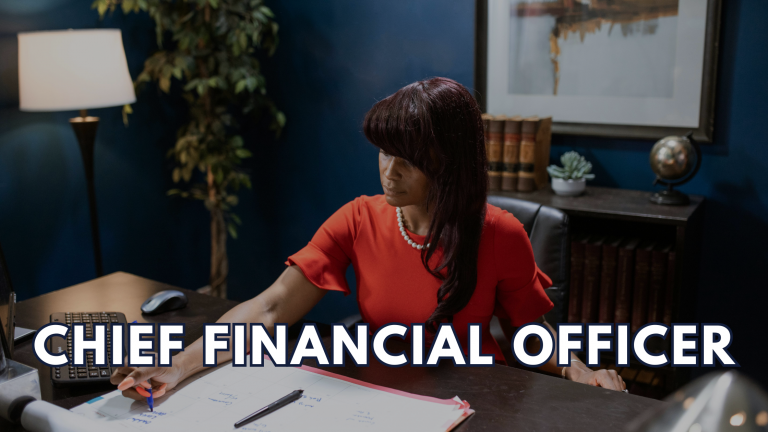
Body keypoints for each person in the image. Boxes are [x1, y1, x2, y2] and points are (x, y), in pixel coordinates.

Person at [112, 77, 626, 399]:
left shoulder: (500, 233)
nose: (389, 171)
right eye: (383, 151)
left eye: (408, 159)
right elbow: (269, 309)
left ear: (449, 162)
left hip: (477, 398)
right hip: (378, 395)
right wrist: (177, 367)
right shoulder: (359, 218)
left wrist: (581, 371)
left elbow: (530, 333)